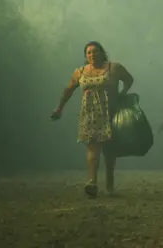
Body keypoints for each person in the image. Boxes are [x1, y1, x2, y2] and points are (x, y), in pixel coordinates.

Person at [50, 41, 134, 198]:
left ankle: (109, 184)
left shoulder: (114, 68)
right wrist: (59, 108)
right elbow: (68, 90)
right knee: (92, 148)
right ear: (85, 56)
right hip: (89, 114)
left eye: (95, 52)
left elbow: (129, 80)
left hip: (111, 112)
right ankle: (92, 182)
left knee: (110, 150)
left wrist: (122, 94)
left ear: (102, 53)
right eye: (88, 53)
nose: (92, 55)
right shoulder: (80, 72)